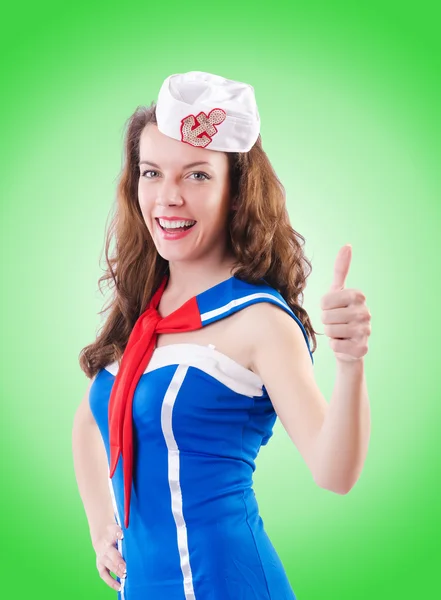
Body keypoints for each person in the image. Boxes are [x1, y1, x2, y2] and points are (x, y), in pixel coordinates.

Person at [72, 71, 370, 599]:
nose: (168, 197)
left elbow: (335, 471)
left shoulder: (260, 320)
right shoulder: (144, 313)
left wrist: (351, 363)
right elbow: (91, 422)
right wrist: (102, 528)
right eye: (151, 172)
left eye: (197, 176)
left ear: (237, 192)